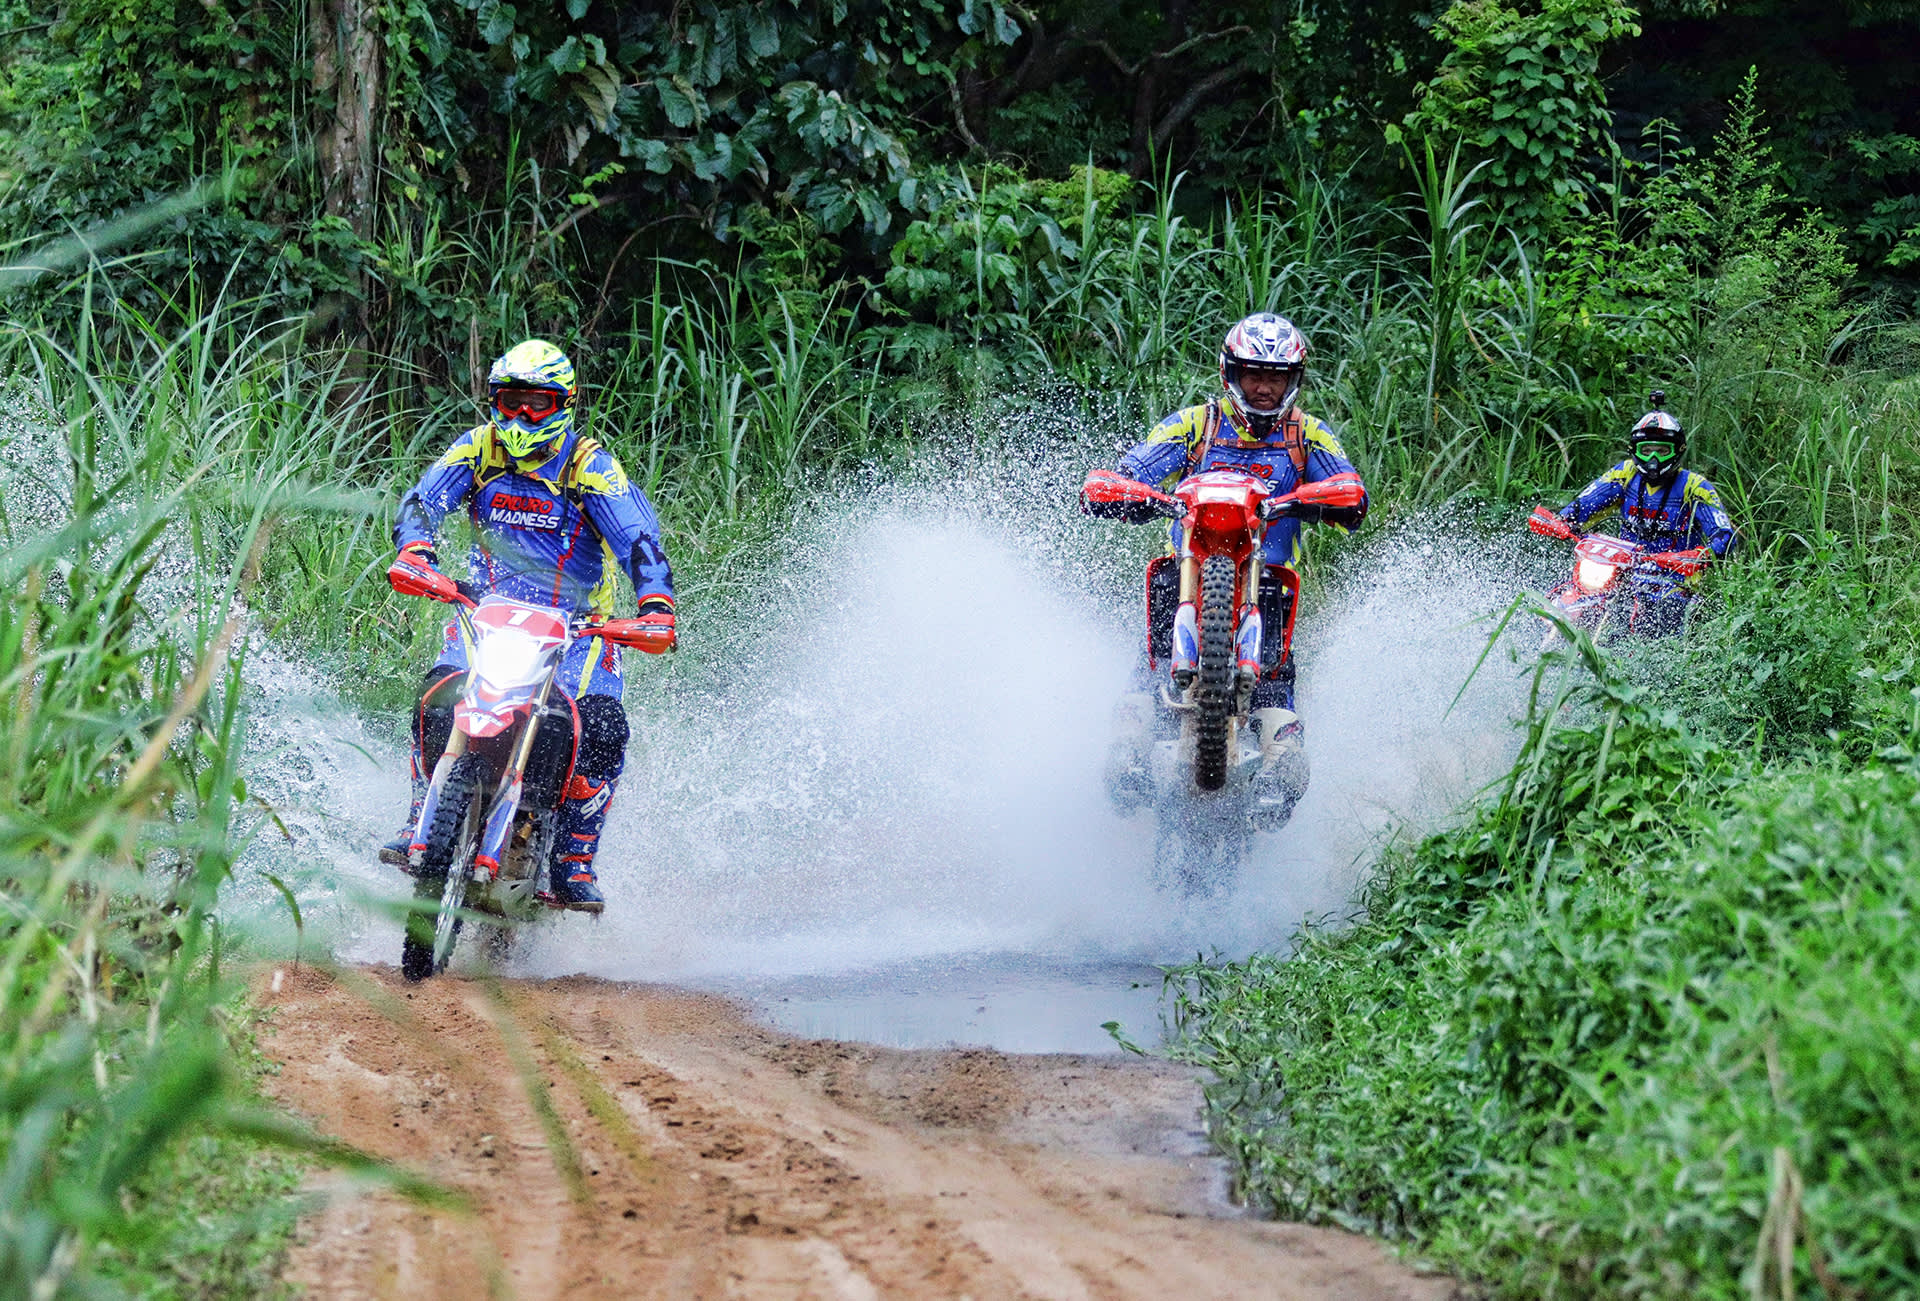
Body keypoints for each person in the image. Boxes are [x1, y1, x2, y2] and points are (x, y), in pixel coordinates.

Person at [378, 339, 675, 912]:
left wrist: (655, 605)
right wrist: (416, 551)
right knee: (436, 697)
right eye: (511, 400)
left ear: (564, 403)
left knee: (604, 726)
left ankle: (574, 858)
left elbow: (638, 538)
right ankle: (421, 814)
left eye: (537, 403)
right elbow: (421, 501)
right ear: (494, 399)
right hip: (485, 613)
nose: (521, 415)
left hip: (578, 629)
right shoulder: (477, 449)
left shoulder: (590, 467)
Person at [1097, 312, 1368, 823]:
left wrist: (1333, 498)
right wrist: (1122, 488)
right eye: (1253, 374)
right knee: (1149, 666)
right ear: (1231, 373)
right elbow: (1135, 468)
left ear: (1293, 380)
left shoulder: (1307, 434)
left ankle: (1280, 768)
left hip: (1265, 578)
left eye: (1276, 377)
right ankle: (1127, 751)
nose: (1264, 387)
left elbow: (1350, 487)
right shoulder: (1195, 424)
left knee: (1275, 681)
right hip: (1189, 569)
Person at [1557, 394, 1737, 634]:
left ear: (1678, 450)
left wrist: (1697, 556)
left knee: (1665, 616)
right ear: (1634, 450)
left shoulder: (1695, 486)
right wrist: (1562, 520)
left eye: (1662, 451)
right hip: (1622, 570)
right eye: (1647, 450)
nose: (1653, 459)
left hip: (1674, 579)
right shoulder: (1625, 473)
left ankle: (1664, 656)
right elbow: (1586, 503)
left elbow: (1724, 536)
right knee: (1566, 596)